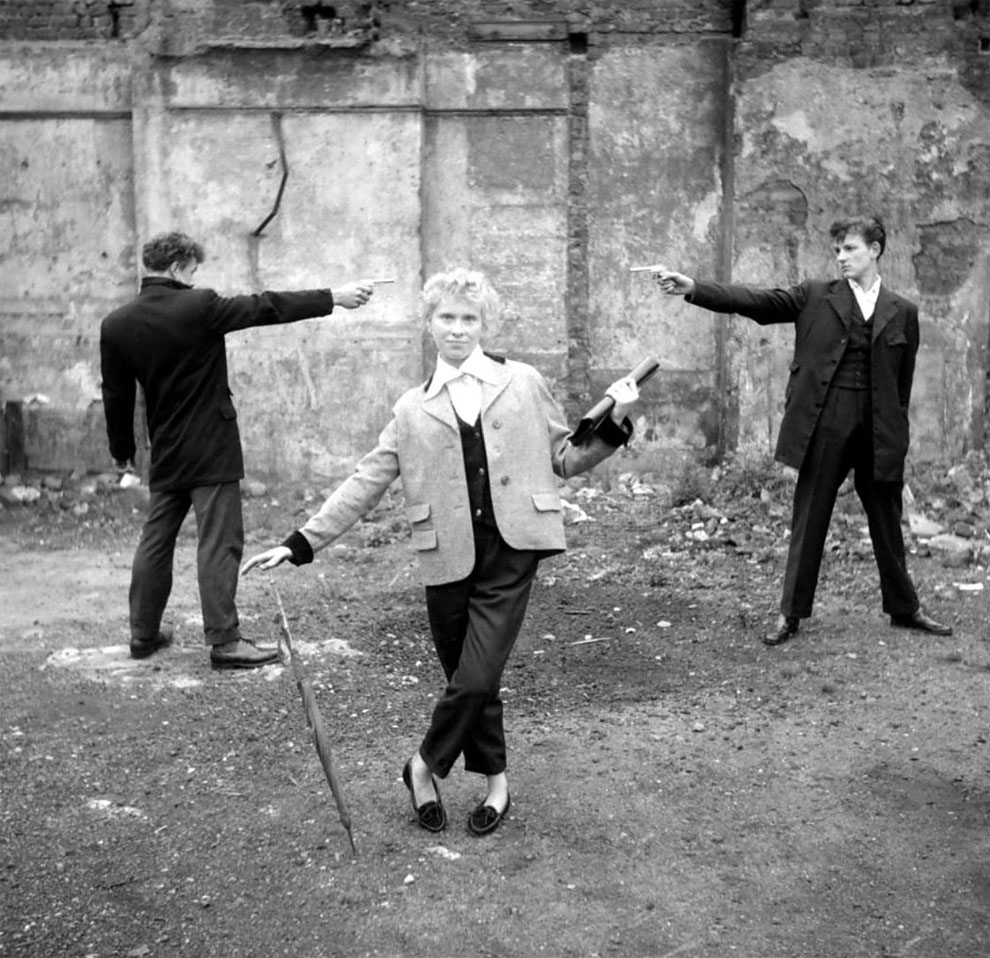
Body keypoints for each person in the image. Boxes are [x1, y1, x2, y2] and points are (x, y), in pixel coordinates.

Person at [242, 267, 640, 835]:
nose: (457, 329)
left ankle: (423, 765)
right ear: (429, 325)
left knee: (476, 677)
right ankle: (497, 784)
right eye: (447, 318)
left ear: (485, 324)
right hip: (445, 557)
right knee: (470, 679)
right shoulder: (410, 408)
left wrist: (617, 419)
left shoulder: (523, 382)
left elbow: (565, 459)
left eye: (468, 319)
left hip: (513, 550)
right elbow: (365, 481)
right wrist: (301, 543)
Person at [653, 214, 952, 645]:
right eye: (837, 250)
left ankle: (905, 608)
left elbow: (901, 389)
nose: (841, 257)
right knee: (810, 516)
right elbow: (756, 300)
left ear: (875, 250)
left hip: (879, 429)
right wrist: (696, 288)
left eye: (850, 248)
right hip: (825, 422)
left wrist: (897, 445)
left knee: (887, 519)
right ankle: (790, 614)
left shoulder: (902, 311)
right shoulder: (814, 295)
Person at [100, 230, 375, 669]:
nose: (193, 279)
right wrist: (334, 297)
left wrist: (123, 452)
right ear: (176, 267)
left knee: (156, 538)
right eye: (191, 270)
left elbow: (115, 394)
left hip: (166, 447)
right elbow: (267, 306)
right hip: (212, 445)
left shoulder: (116, 324)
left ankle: (142, 633)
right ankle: (225, 641)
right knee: (219, 541)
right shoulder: (201, 305)